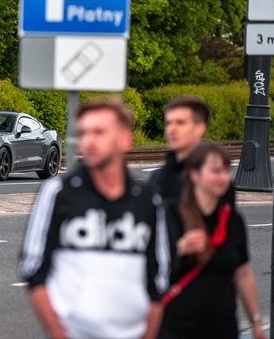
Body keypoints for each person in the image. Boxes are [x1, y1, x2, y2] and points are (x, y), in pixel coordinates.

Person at [19, 98, 169, 339]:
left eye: (99, 132)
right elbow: (33, 269)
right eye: (83, 133)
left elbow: (158, 279)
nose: (88, 141)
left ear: (125, 139)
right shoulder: (58, 192)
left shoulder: (148, 199)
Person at [157, 143, 265, 339]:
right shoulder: (170, 214)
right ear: (194, 174)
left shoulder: (233, 220)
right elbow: (150, 269)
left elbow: (243, 273)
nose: (223, 177)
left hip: (222, 329)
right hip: (176, 329)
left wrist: (256, 322)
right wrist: (180, 248)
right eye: (215, 171)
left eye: (225, 171)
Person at [149, 96, 235, 205]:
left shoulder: (216, 179)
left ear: (200, 128)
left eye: (180, 122)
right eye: (168, 123)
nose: (171, 129)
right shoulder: (158, 178)